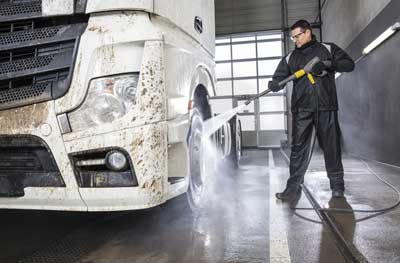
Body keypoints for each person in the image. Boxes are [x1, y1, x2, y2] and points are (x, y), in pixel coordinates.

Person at [270, 20, 355, 200]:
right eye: (292, 37)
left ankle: (337, 187)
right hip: (301, 110)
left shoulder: (328, 49)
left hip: (326, 107)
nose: (295, 40)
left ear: (308, 32)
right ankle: (292, 188)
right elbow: (278, 78)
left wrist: (327, 65)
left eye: (297, 36)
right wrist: (275, 83)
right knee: (298, 149)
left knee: (331, 148)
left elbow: (349, 64)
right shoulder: (290, 57)